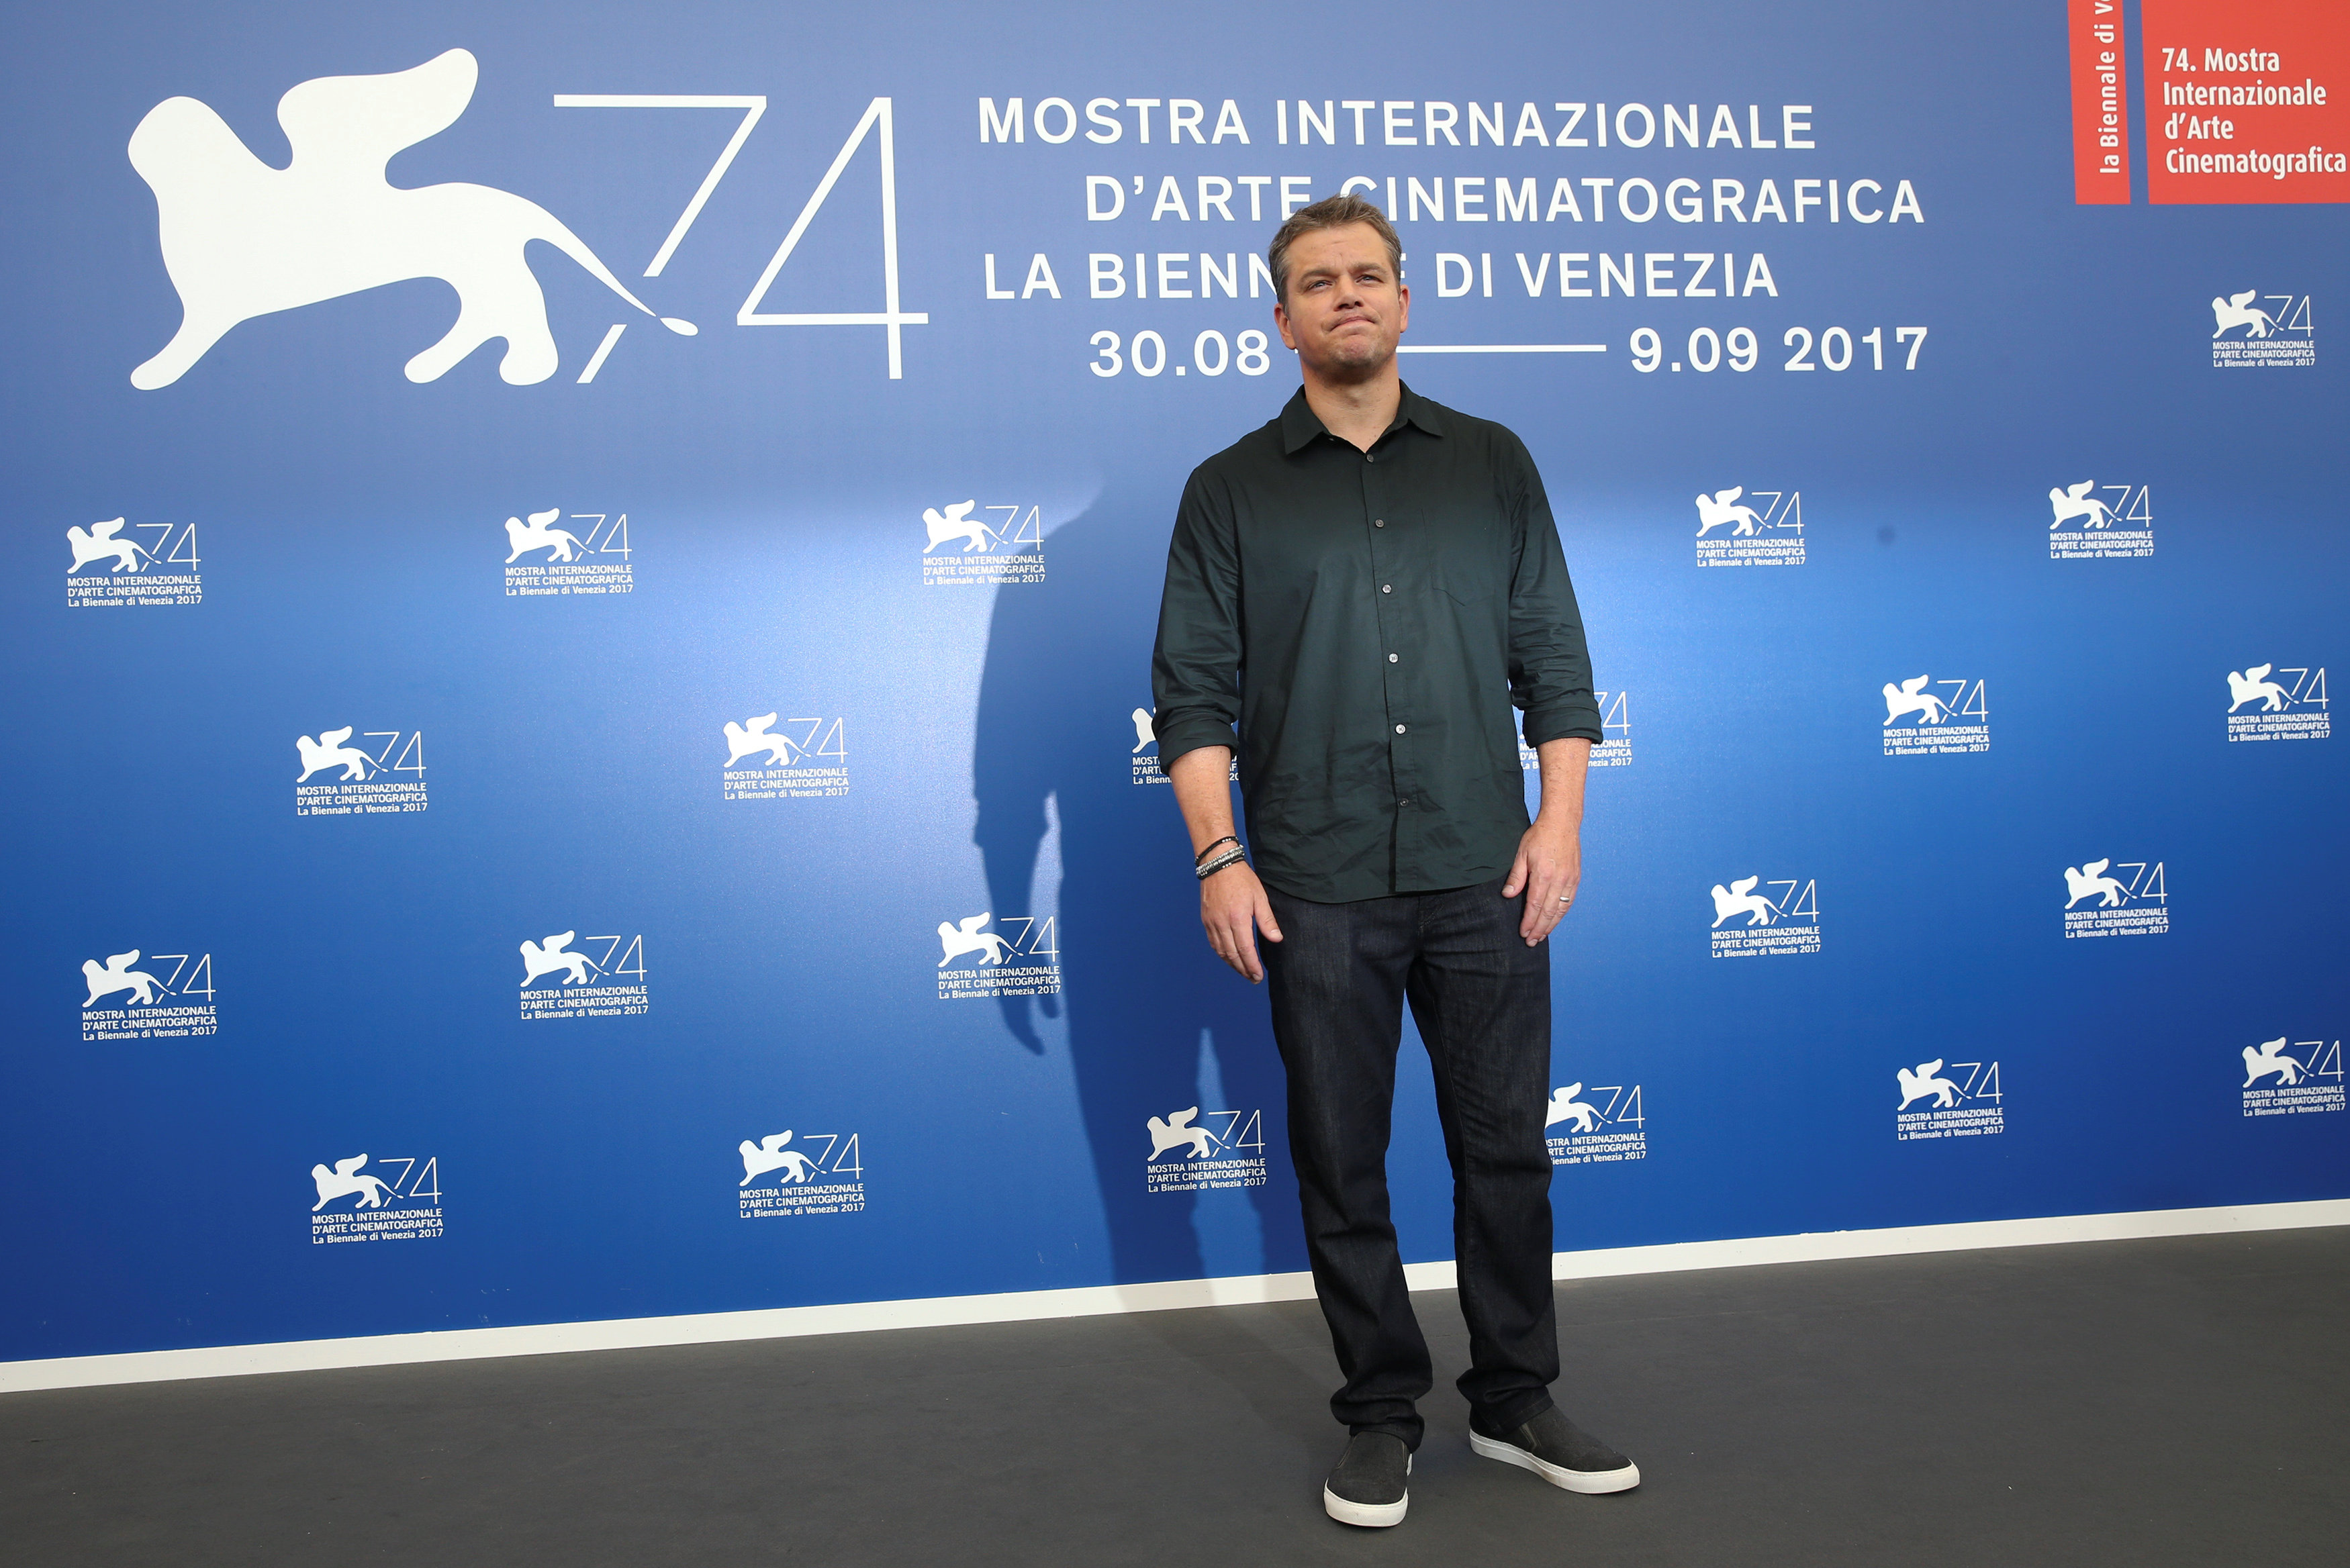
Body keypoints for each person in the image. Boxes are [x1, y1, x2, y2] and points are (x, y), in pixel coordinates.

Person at [1149, 195, 1636, 1528]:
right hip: (1312, 881)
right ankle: (1378, 1413)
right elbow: (1191, 699)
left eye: (1369, 276)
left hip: (1488, 871)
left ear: (1405, 299)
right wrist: (1218, 856)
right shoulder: (1228, 491)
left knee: (1506, 1153)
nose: (1346, 296)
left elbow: (1557, 663)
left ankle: (1517, 1396)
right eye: (1318, 282)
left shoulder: (1491, 462)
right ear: (1282, 317)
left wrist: (1559, 825)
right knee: (1339, 1163)